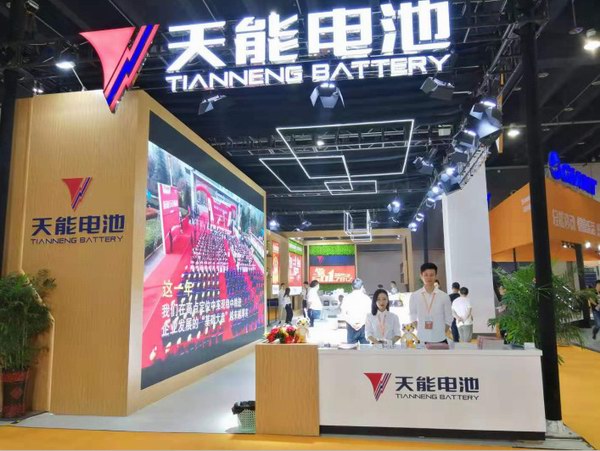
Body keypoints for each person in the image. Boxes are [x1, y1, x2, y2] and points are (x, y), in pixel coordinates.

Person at [409, 263, 452, 344]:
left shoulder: (444, 296)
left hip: (440, 338)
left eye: (431, 275)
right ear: (421, 276)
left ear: (436, 276)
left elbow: (449, 318)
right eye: (426, 275)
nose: (428, 278)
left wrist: (441, 332)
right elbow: (412, 315)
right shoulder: (415, 296)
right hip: (422, 338)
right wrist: (420, 329)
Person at [342, 278, 371, 344]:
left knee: (351, 349)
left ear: (352, 287)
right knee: (366, 349)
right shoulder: (367, 299)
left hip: (351, 327)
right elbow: (369, 314)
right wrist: (361, 323)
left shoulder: (346, 298)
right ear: (362, 287)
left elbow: (343, 313)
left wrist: (352, 323)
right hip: (364, 327)